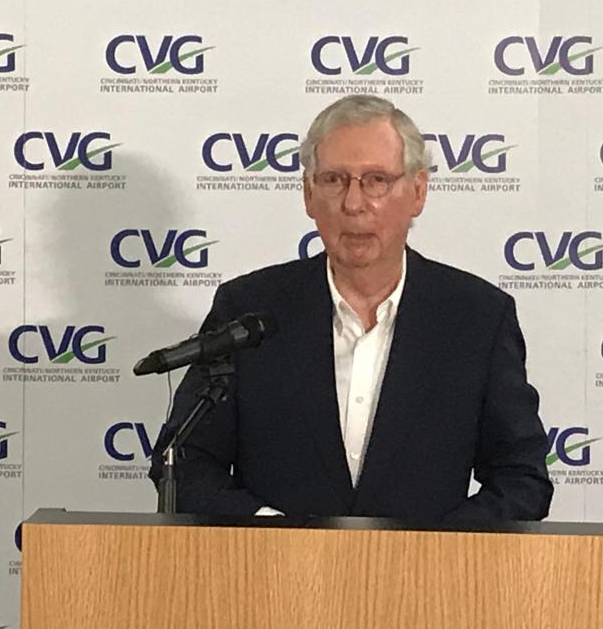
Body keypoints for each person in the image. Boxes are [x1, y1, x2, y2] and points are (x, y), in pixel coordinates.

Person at [150, 94, 553, 523]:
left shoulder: (476, 317)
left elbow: (522, 480)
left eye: (377, 180)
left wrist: (434, 548)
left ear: (418, 192)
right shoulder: (249, 309)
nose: (354, 204)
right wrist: (270, 533)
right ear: (308, 195)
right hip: (274, 579)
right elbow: (186, 462)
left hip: (426, 582)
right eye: (335, 180)